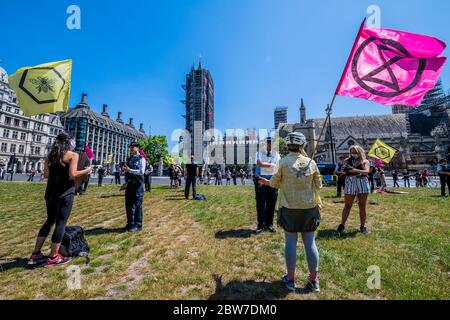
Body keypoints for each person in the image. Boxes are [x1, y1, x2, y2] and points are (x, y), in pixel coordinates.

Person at [259, 132, 322, 292]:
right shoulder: (311, 162)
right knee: (310, 243)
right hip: (309, 208)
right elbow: (319, 185)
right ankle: (314, 280)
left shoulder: (283, 162)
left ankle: (291, 279)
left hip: (289, 208)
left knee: (290, 243)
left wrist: (268, 182)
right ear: (302, 145)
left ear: (288, 145)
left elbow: (274, 183)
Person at [28, 133, 92, 266]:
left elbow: (46, 174)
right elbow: (73, 174)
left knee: (49, 220)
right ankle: (53, 256)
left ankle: (35, 254)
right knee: (61, 223)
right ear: (68, 143)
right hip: (65, 193)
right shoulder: (72, 155)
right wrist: (87, 170)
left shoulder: (50, 156)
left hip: (50, 193)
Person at [336, 145, 371, 234]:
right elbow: (343, 172)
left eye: (355, 152)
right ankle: (342, 225)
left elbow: (367, 171)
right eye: (352, 152)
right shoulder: (347, 161)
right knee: (347, 205)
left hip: (362, 181)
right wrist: (343, 170)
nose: (353, 154)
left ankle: (363, 226)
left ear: (359, 152)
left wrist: (354, 170)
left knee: (362, 205)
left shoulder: (364, 161)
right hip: (350, 181)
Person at [254, 137, 281, 233]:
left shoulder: (277, 155)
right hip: (261, 179)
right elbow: (259, 163)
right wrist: (271, 165)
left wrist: (272, 166)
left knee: (272, 203)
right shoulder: (259, 153)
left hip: (272, 180)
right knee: (260, 203)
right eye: (268, 143)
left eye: (271, 143)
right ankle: (260, 225)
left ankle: (269, 224)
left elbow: (278, 167)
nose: (269, 145)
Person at [123, 142, 146, 232]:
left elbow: (141, 172)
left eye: (133, 147)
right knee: (128, 205)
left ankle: (138, 224)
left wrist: (130, 170)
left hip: (137, 185)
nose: (131, 149)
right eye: (130, 147)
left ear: (138, 148)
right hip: (129, 184)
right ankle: (130, 223)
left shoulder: (141, 159)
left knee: (137, 205)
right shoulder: (130, 158)